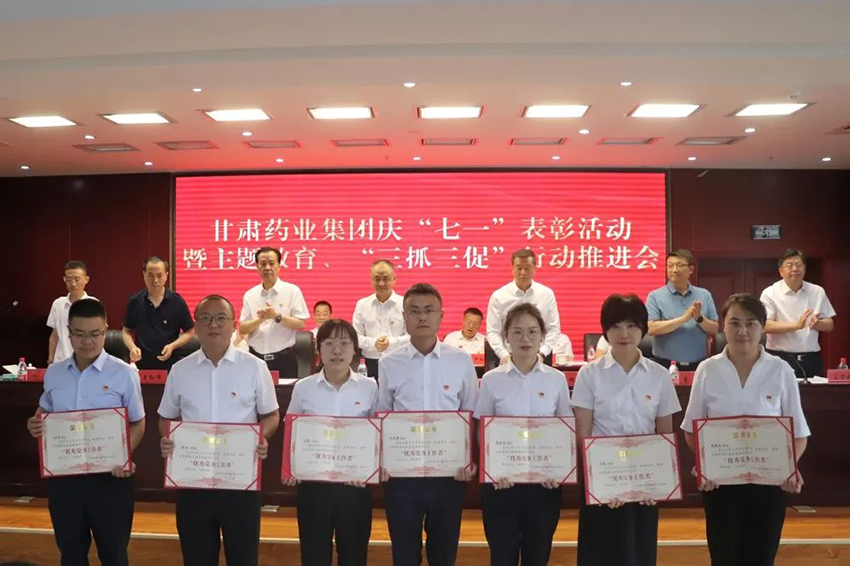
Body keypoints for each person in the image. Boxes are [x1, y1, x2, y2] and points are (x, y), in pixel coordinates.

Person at [681, 293, 808, 566]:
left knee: (761, 556)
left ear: (763, 328)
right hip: (721, 484)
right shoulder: (707, 370)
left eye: (751, 323)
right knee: (723, 555)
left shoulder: (781, 370)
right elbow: (691, 429)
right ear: (722, 326)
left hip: (769, 483)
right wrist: (706, 465)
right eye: (734, 323)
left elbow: (798, 433)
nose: (742, 331)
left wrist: (789, 468)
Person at [158, 294, 280, 566]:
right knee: (197, 558)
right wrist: (168, 438)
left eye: (220, 318)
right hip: (193, 482)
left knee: (243, 558)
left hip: (240, 482)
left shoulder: (254, 367)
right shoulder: (180, 370)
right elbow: (165, 417)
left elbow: (271, 415)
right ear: (196, 326)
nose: (213, 324)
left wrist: (261, 438)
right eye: (205, 318)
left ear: (234, 324)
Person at [27, 298, 145, 566]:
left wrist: (124, 456)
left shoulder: (123, 373)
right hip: (65, 478)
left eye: (95, 334)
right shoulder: (55, 373)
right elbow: (44, 410)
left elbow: (138, 422)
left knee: (114, 555)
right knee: (71, 554)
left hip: (110, 479)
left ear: (105, 331)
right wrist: (35, 422)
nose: (88, 341)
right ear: (69, 333)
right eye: (80, 334)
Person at [572, 294, 681, 566]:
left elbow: (665, 435)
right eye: (616, 326)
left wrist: (659, 483)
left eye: (632, 325)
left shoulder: (659, 375)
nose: (624, 334)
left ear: (643, 329)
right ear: (605, 331)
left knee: (638, 550)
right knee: (599, 552)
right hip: (603, 480)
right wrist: (600, 484)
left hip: (644, 480)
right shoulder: (589, 374)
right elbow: (583, 433)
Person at [376, 283, 478, 566]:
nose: (422, 317)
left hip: (449, 474)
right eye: (414, 311)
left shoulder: (461, 360)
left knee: (443, 555)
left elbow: (470, 414)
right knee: (404, 554)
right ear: (404, 317)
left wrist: (469, 459)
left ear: (441, 316)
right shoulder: (388, 362)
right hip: (401, 476)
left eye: (429, 310)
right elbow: (382, 415)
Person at [474, 303, 572, 566]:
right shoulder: (492, 380)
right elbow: (482, 430)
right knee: (502, 555)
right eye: (517, 332)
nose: (525, 338)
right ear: (506, 337)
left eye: (532, 331)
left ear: (543, 336)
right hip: (501, 485)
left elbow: (564, 428)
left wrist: (558, 471)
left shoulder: (556, 379)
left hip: (544, 486)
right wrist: (493, 470)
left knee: (537, 555)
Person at [284, 319, 378, 566]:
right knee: (314, 556)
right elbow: (292, 431)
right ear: (319, 349)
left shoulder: (370, 388)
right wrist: (291, 468)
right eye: (329, 344)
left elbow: (377, 435)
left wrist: (368, 470)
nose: (337, 350)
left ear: (354, 349)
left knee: (354, 556)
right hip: (314, 489)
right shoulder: (303, 388)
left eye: (344, 343)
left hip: (355, 488)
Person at [760, 248, 835, 378]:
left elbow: (830, 325)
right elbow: (764, 325)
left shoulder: (817, 291)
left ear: (804, 269)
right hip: (779, 357)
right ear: (781, 271)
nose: (795, 269)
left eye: (799, 265)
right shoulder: (770, 293)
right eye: (789, 266)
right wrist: (796, 326)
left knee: (814, 391)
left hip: (811, 358)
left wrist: (818, 323)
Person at [239, 247, 310, 377]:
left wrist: (276, 316)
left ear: (279, 265)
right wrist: (261, 319)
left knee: (284, 390)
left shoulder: (292, 291)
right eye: (263, 264)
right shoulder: (250, 295)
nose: (267, 268)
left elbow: (301, 324)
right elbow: (243, 328)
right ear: (257, 267)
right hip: (256, 358)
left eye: (271, 263)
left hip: (284, 359)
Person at [646, 249, 719, 370]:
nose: (674, 270)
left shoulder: (704, 295)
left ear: (691, 269)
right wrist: (684, 319)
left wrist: (699, 318)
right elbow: (652, 329)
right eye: (670, 266)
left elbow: (714, 329)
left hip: (698, 366)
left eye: (679, 265)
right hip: (664, 366)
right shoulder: (655, 296)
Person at [486, 249, 560, 365]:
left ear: (535, 268)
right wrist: (504, 355)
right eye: (519, 268)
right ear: (512, 268)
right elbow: (493, 331)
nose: (523, 272)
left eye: (527, 268)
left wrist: (542, 353)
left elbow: (553, 329)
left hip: (539, 358)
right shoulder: (499, 296)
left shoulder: (546, 294)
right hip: (509, 358)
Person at [122, 256, 195, 370]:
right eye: (150, 275)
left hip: (171, 365)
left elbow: (190, 332)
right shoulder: (135, 301)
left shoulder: (177, 302)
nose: (155, 280)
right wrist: (132, 347)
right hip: (143, 365)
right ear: (144, 275)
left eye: (159, 275)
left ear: (166, 275)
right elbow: (126, 331)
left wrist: (172, 346)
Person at [353, 259, 408, 377]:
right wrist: (374, 343)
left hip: (399, 361)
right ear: (371, 280)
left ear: (394, 279)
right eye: (377, 279)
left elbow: (411, 336)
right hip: (369, 363)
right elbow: (355, 336)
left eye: (386, 278)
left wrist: (390, 343)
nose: (381, 283)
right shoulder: (362, 305)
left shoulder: (405, 304)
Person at [47, 260, 97, 365]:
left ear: (86, 279)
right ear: (64, 280)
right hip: (61, 362)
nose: (73, 284)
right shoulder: (58, 304)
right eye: (69, 280)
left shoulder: (94, 304)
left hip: (86, 363)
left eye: (77, 279)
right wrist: (50, 361)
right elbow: (54, 335)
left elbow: (98, 336)